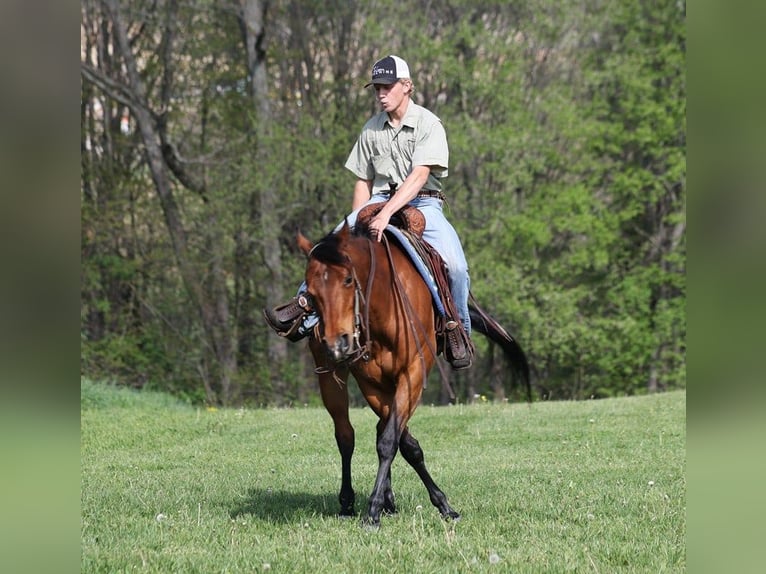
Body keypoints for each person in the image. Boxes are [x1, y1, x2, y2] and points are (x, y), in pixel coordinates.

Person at [264, 55, 472, 369]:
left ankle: (457, 330)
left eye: (387, 86)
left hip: (423, 204)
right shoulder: (371, 128)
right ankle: (303, 304)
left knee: (456, 267)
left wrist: (387, 213)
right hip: (375, 203)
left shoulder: (429, 124)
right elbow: (363, 179)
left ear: (407, 86)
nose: (381, 93)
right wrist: (358, 227)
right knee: (328, 250)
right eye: (377, 88)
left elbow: (418, 177)